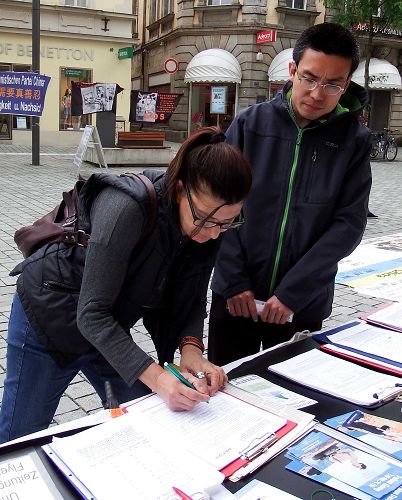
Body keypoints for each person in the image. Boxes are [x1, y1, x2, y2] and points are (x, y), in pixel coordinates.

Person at [0, 126, 252, 444]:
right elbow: (90, 314)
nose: (215, 233)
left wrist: (192, 351)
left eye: (228, 222)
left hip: (106, 326)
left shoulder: (209, 223)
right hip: (49, 319)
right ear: (178, 189)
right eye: (205, 219)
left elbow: (191, 296)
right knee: (20, 436)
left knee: (144, 412)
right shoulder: (126, 208)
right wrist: (159, 377)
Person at [208, 22, 372, 366]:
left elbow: (348, 224)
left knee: (293, 396)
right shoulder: (249, 124)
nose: (317, 93)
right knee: (225, 388)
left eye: (332, 84)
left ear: (346, 85)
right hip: (236, 297)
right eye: (310, 78)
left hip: (301, 304)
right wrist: (234, 280)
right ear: (293, 70)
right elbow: (216, 204)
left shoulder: (353, 141)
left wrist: (293, 293)